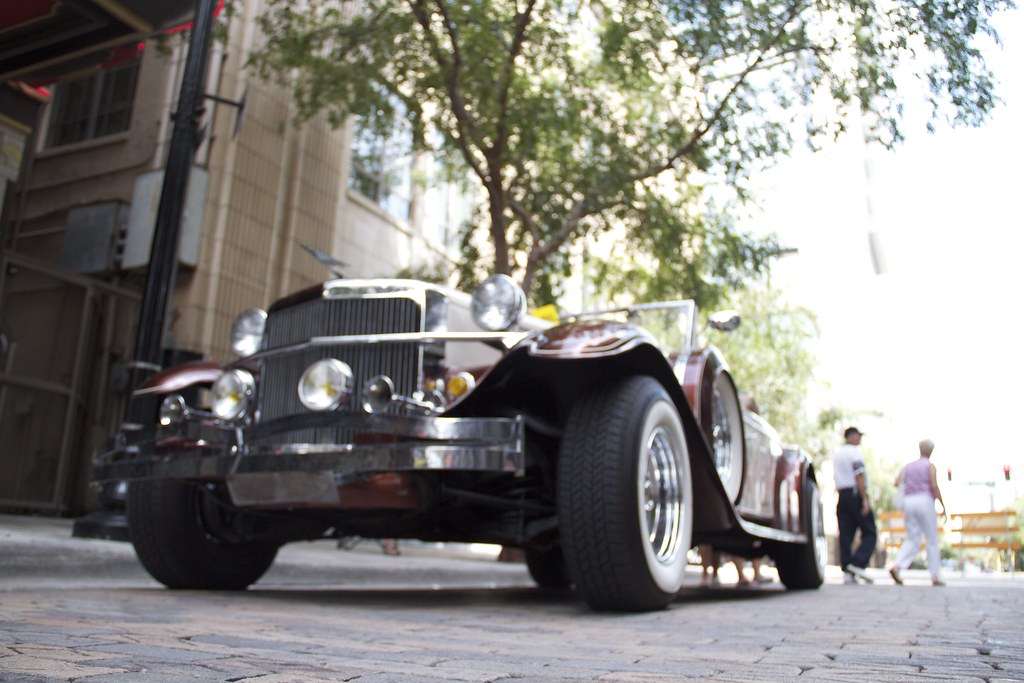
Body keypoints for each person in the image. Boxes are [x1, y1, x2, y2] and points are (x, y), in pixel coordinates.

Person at [889, 439, 947, 586]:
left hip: (909, 502)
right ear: (931, 451)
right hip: (924, 501)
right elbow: (934, 485)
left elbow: (896, 482)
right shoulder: (930, 466)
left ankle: (897, 566)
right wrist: (942, 505)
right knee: (931, 539)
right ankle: (935, 575)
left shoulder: (908, 466)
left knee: (912, 538)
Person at [831, 426, 877, 583]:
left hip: (842, 496)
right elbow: (859, 475)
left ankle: (847, 570)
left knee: (845, 533)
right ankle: (858, 563)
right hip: (854, 495)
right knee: (870, 531)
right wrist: (864, 498)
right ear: (853, 436)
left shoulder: (837, 454)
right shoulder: (855, 452)